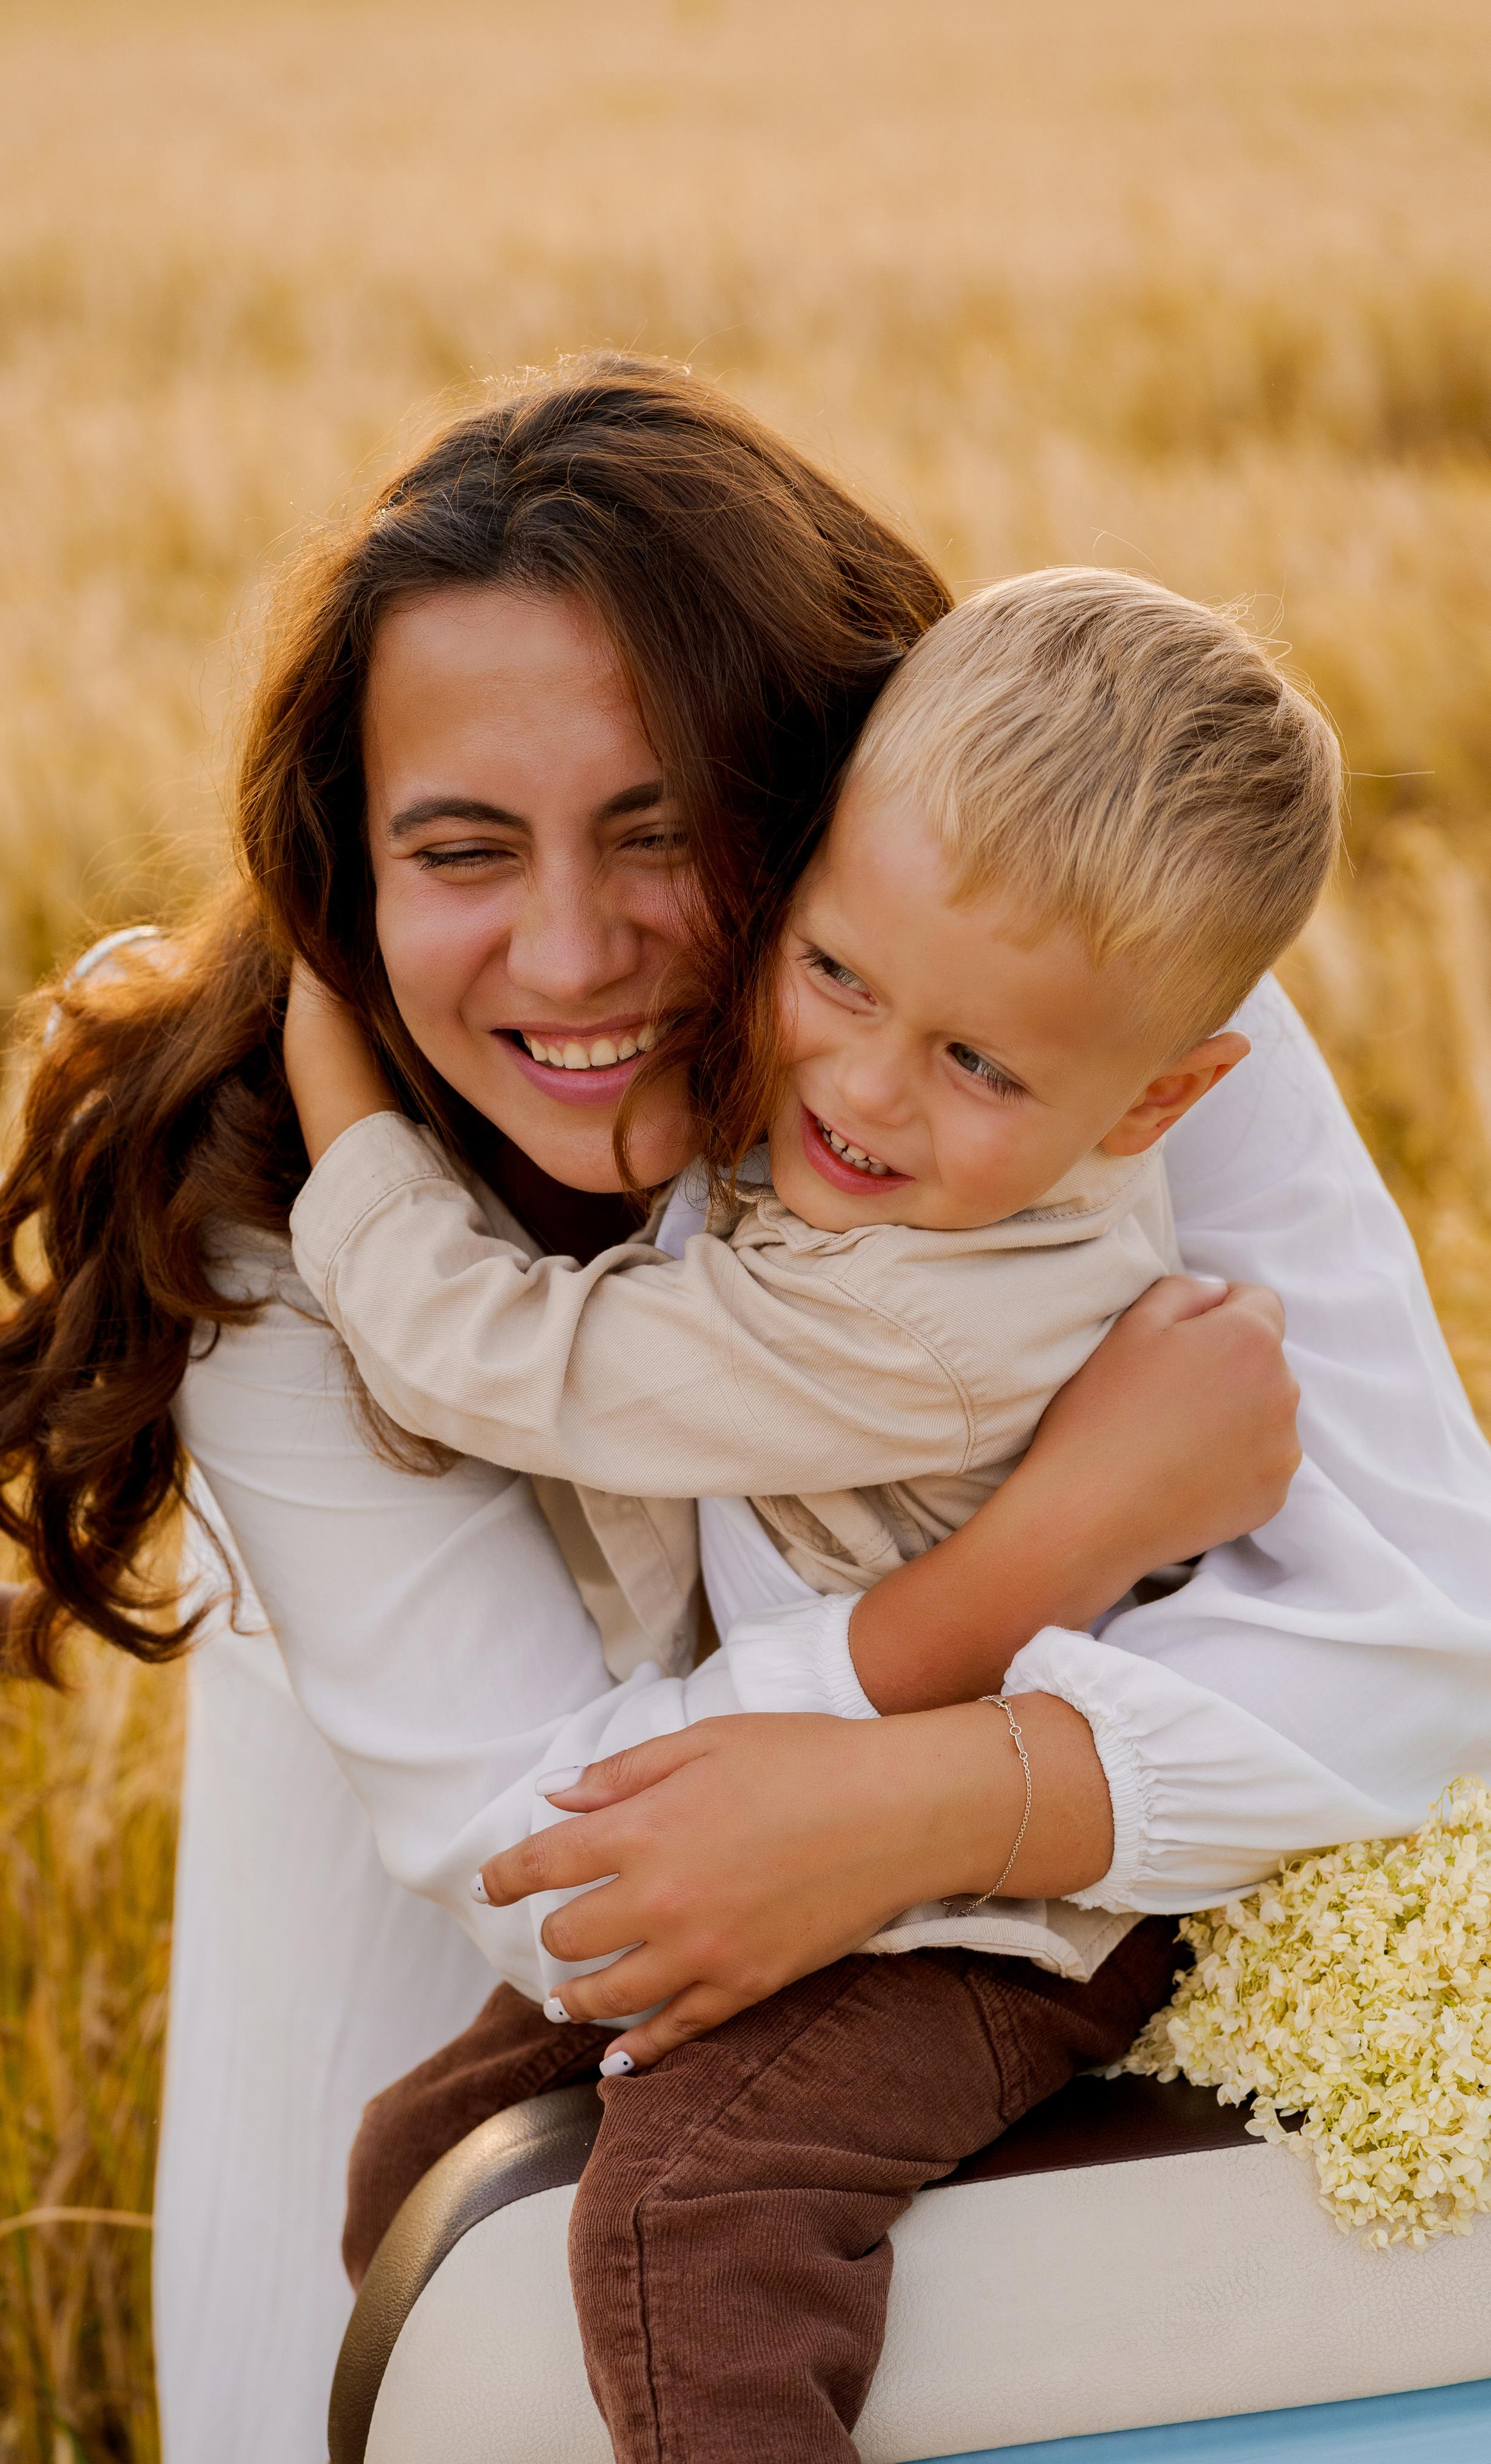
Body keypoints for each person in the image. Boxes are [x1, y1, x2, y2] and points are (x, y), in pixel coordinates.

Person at [0, 358, 1491, 2464]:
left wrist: (949, 1805)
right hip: (529, 1899)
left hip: (1020, 1924)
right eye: (458, 850)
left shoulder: (1062, 976)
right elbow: (553, 1857)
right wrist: (1046, 1563)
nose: (573, 956)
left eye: (659, 837)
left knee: (701, 2234)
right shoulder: (279, 1234)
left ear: (810, 799)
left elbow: (1423, 1631)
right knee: (398, 2199)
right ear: (341, 880)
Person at [273, 564, 1343, 2456]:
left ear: (1157, 1101)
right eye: (838, 974)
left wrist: (330, 1075)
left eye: (978, 1064)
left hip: (1016, 1916)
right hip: (866, 1855)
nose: (856, 1086)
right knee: (420, 2151)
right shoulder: (926, 1146)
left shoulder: (926, 1305)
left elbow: (499, 1357)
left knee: (698, 2219)